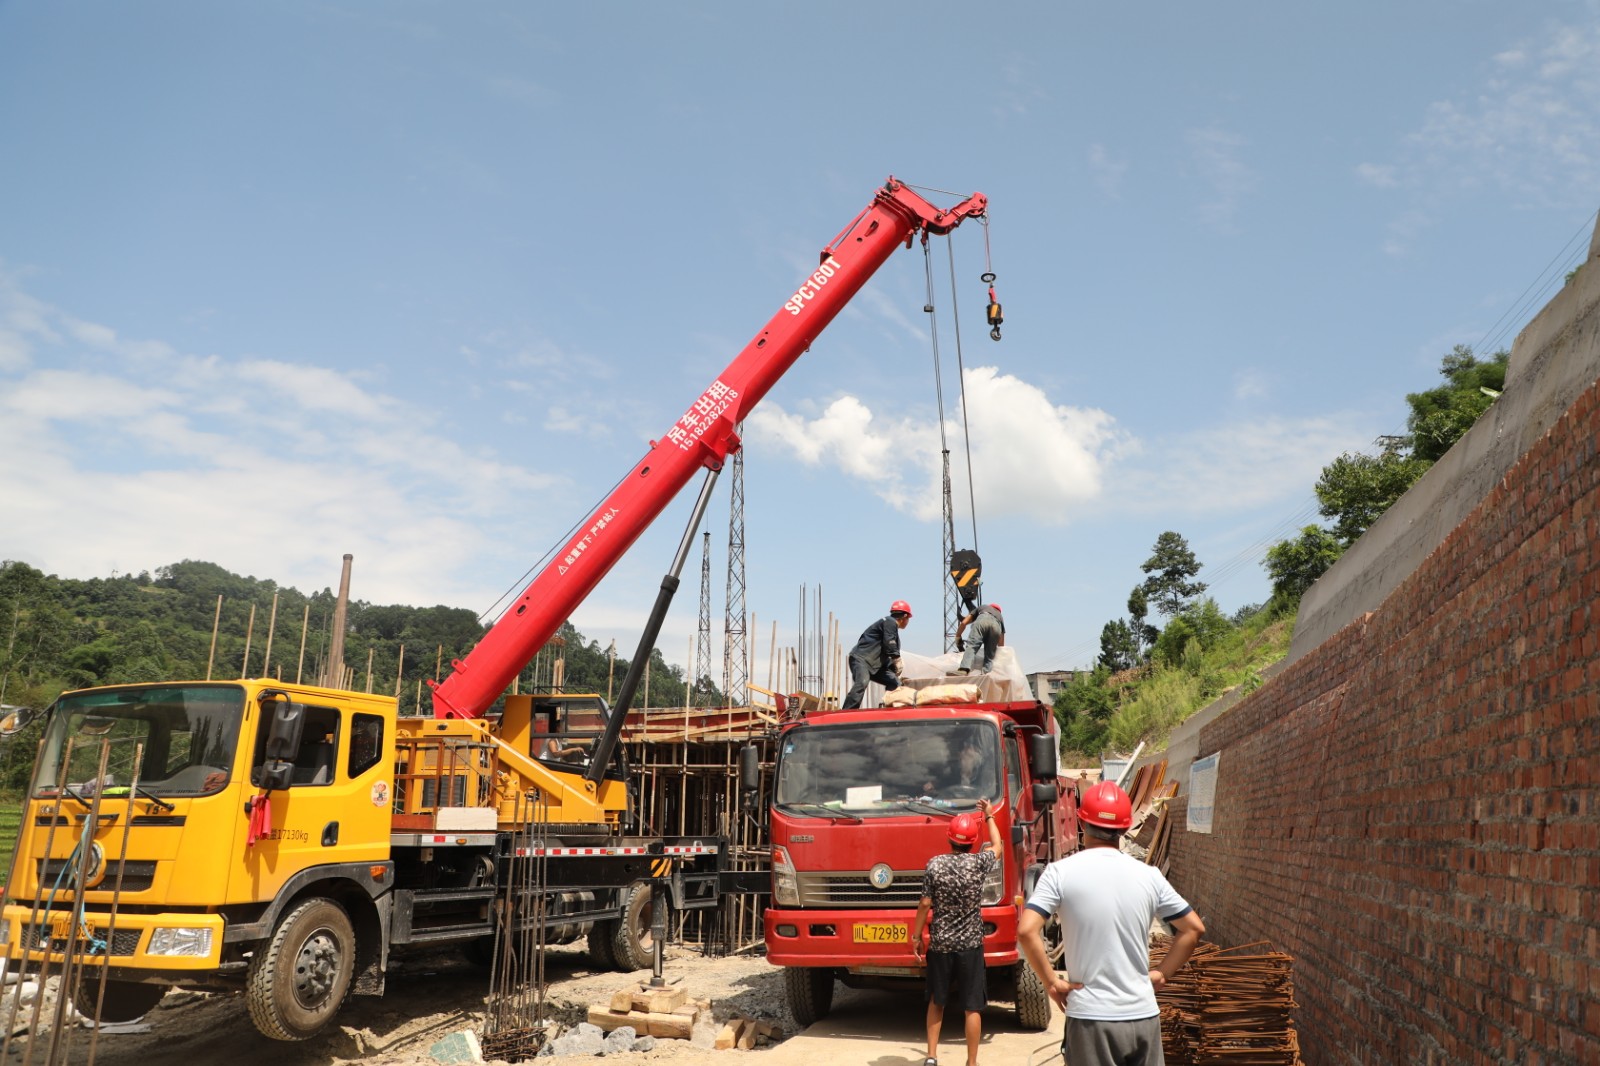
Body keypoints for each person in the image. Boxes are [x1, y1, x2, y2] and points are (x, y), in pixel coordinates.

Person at [1017, 781, 1205, 1066]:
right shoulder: (1149, 876)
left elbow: (1026, 931)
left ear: (1081, 822)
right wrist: (1162, 974)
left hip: (1091, 1018)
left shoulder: (1059, 873)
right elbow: (1193, 928)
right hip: (1143, 1016)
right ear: (1125, 827)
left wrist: (1052, 982)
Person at [912, 798, 1003, 1066]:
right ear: (972, 842)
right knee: (972, 1006)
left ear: (949, 837)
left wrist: (916, 936)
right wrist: (989, 816)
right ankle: (971, 1062)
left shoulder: (935, 864)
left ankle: (931, 1056)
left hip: (941, 944)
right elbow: (998, 846)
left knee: (936, 1001)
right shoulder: (979, 863)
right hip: (970, 945)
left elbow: (925, 904)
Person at [841, 600, 912, 709]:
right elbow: (889, 644)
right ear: (905, 616)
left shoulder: (890, 628)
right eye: (908, 619)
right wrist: (897, 659)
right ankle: (846, 713)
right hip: (861, 659)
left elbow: (885, 652)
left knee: (895, 683)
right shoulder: (890, 622)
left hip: (875, 665)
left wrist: (894, 670)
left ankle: (890, 709)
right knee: (862, 683)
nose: (908, 622)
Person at [953, 603, 1004, 675]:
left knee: (972, 646)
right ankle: (986, 674)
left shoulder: (983, 607)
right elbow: (1001, 639)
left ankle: (964, 669)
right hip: (996, 627)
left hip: (982, 621)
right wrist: (1000, 652)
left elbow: (964, 622)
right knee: (989, 655)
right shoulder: (1000, 616)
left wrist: (958, 636)